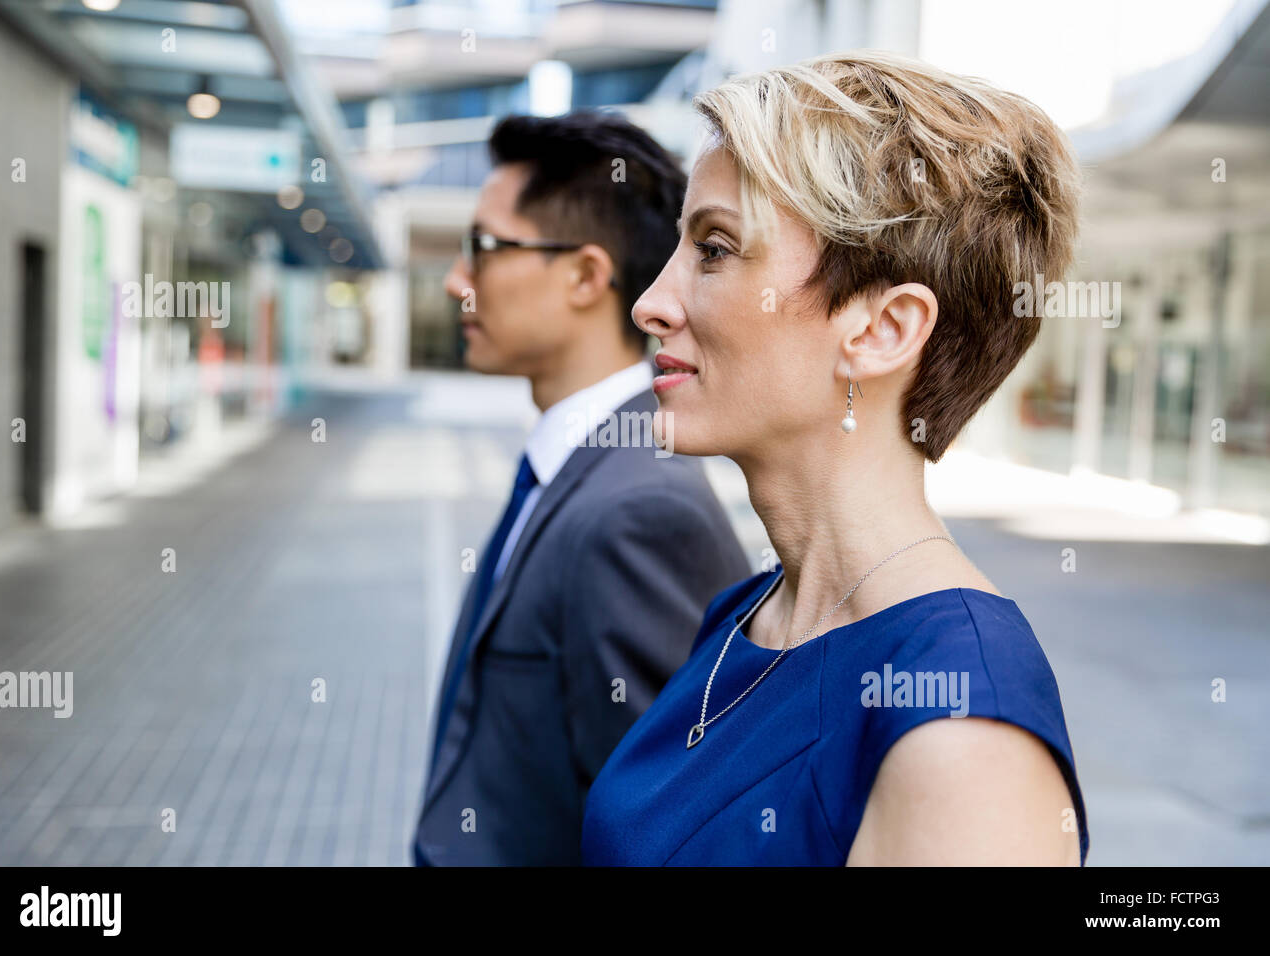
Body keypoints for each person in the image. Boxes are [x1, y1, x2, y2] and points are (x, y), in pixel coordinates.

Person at [582, 53, 1091, 865]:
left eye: (714, 248)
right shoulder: (745, 619)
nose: (651, 303)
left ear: (880, 330)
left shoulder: (963, 730)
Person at [413, 111, 750, 866]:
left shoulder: (640, 510)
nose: (455, 280)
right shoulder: (582, 467)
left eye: (484, 249)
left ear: (586, 275)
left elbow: (674, 834)